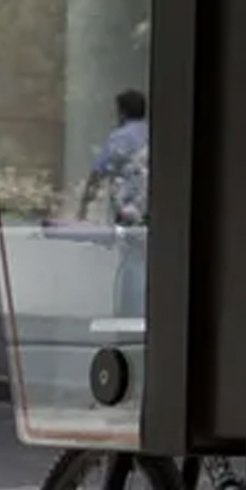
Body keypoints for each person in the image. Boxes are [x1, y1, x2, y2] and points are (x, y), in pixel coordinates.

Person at [77, 89, 150, 320]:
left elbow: (98, 172)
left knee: (132, 261)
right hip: (151, 208)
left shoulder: (120, 138)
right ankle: (141, 311)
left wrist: (84, 204)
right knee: (143, 259)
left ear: (122, 112)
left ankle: (132, 312)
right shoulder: (154, 134)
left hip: (130, 210)